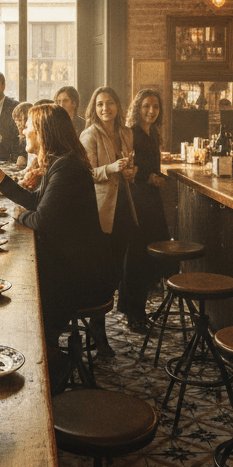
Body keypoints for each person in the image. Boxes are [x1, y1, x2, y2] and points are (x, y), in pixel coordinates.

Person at [0, 104, 111, 348]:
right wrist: (0, 177)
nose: (23, 130)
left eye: (28, 125)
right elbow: (36, 202)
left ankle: (44, 357)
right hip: (72, 263)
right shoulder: (60, 163)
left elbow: (42, 220)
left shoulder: (67, 168)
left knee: (17, 289)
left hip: (80, 275)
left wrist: (19, 215)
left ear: (42, 131)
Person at [80, 86, 140, 356]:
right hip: (103, 209)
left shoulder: (126, 132)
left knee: (116, 269)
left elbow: (127, 166)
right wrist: (112, 168)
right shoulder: (89, 134)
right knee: (102, 272)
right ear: (94, 108)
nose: (106, 108)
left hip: (125, 206)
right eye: (101, 104)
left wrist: (130, 171)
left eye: (111, 103)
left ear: (118, 106)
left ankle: (101, 324)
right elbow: (87, 173)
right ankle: (98, 330)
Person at [121, 89, 171, 332]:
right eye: (146, 107)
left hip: (152, 201)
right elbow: (128, 166)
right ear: (137, 108)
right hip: (138, 201)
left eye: (156, 107)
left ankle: (135, 308)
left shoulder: (153, 132)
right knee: (137, 258)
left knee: (149, 255)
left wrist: (158, 177)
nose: (151, 111)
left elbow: (152, 166)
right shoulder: (132, 133)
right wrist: (149, 178)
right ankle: (134, 312)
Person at [11, 101, 33, 169]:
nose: (22, 124)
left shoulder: (32, 140)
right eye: (18, 120)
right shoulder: (15, 139)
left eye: (25, 120)